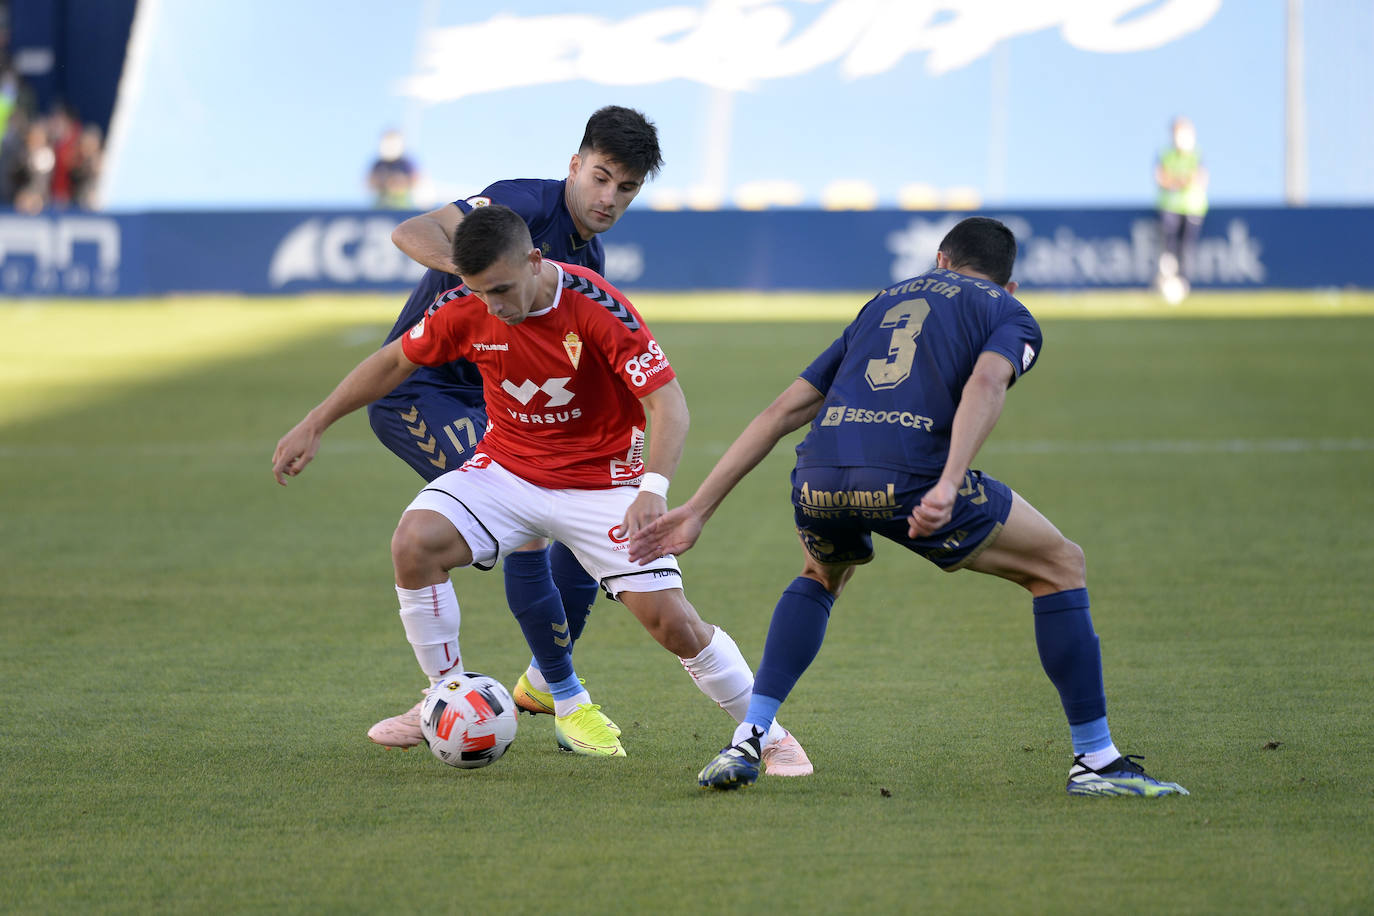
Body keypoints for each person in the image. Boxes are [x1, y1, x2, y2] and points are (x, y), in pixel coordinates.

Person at [629, 216, 1187, 797]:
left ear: (940, 260)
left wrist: (698, 507)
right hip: (910, 476)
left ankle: (749, 734)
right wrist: (947, 483)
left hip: (818, 473)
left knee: (821, 574)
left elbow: (781, 412)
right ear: (1009, 284)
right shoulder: (1006, 310)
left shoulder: (883, 301)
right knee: (1060, 565)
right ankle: (1096, 761)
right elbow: (987, 384)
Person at [273, 204, 811, 774]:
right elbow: (393, 362)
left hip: (603, 485)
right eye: (480, 292)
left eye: (502, 289)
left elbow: (667, 402)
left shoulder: (595, 305)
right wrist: (316, 420)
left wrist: (653, 487)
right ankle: (444, 696)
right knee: (415, 543)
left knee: (672, 624)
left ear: (534, 260)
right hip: (507, 471)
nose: (494, 306)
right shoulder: (466, 305)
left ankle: (770, 735)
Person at [362, 106, 666, 751]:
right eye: (601, 177)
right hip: (424, 394)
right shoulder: (521, 203)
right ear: (575, 165)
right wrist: (477, 285)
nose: (608, 198)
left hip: (506, 406)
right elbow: (413, 231)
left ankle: (523, 686)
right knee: (528, 526)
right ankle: (552, 697)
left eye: (627, 188)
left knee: (581, 514)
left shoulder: (591, 261)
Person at [1154, 116, 1208, 305]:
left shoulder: (1196, 154)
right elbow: (1162, 179)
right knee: (1169, 248)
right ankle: (1166, 282)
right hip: (1170, 207)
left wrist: (1177, 181)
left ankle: (1182, 285)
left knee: (1186, 249)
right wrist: (1180, 181)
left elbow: (1200, 179)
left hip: (1192, 208)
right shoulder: (1165, 154)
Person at [367, 129, 417, 209]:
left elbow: (414, 180)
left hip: (402, 207)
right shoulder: (379, 164)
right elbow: (369, 182)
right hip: (380, 206)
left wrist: (398, 182)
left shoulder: (405, 163)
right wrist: (382, 181)